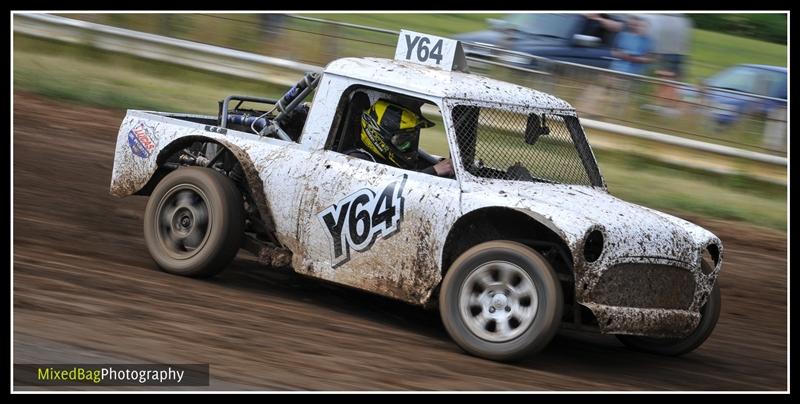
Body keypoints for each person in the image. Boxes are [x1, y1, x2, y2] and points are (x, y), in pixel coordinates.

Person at [345, 99, 454, 177]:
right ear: (376, 134)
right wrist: (433, 171)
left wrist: (438, 164)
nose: (408, 144)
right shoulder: (356, 160)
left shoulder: (396, 160)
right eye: (402, 140)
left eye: (412, 137)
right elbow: (384, 190)